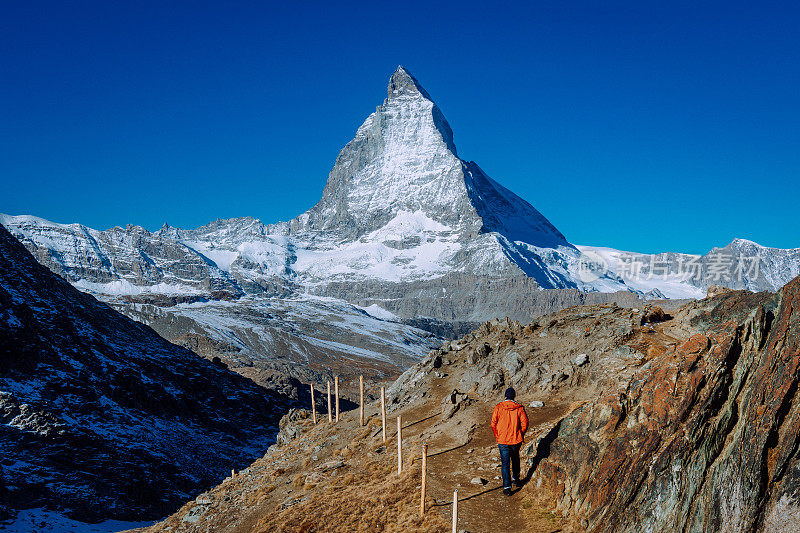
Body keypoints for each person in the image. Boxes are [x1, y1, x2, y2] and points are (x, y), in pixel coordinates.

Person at [491, 387, 528, 496]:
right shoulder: (519, 408)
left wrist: (497, 435)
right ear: (514, 396)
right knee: (516, 459)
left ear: (505, 396)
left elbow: (493, 423)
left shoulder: (498, 407)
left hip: (502, 440)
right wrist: (520, 433)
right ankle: (516, 479)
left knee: (505, 464)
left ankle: (507, 487)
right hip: (516, 440)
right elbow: (525, 423)